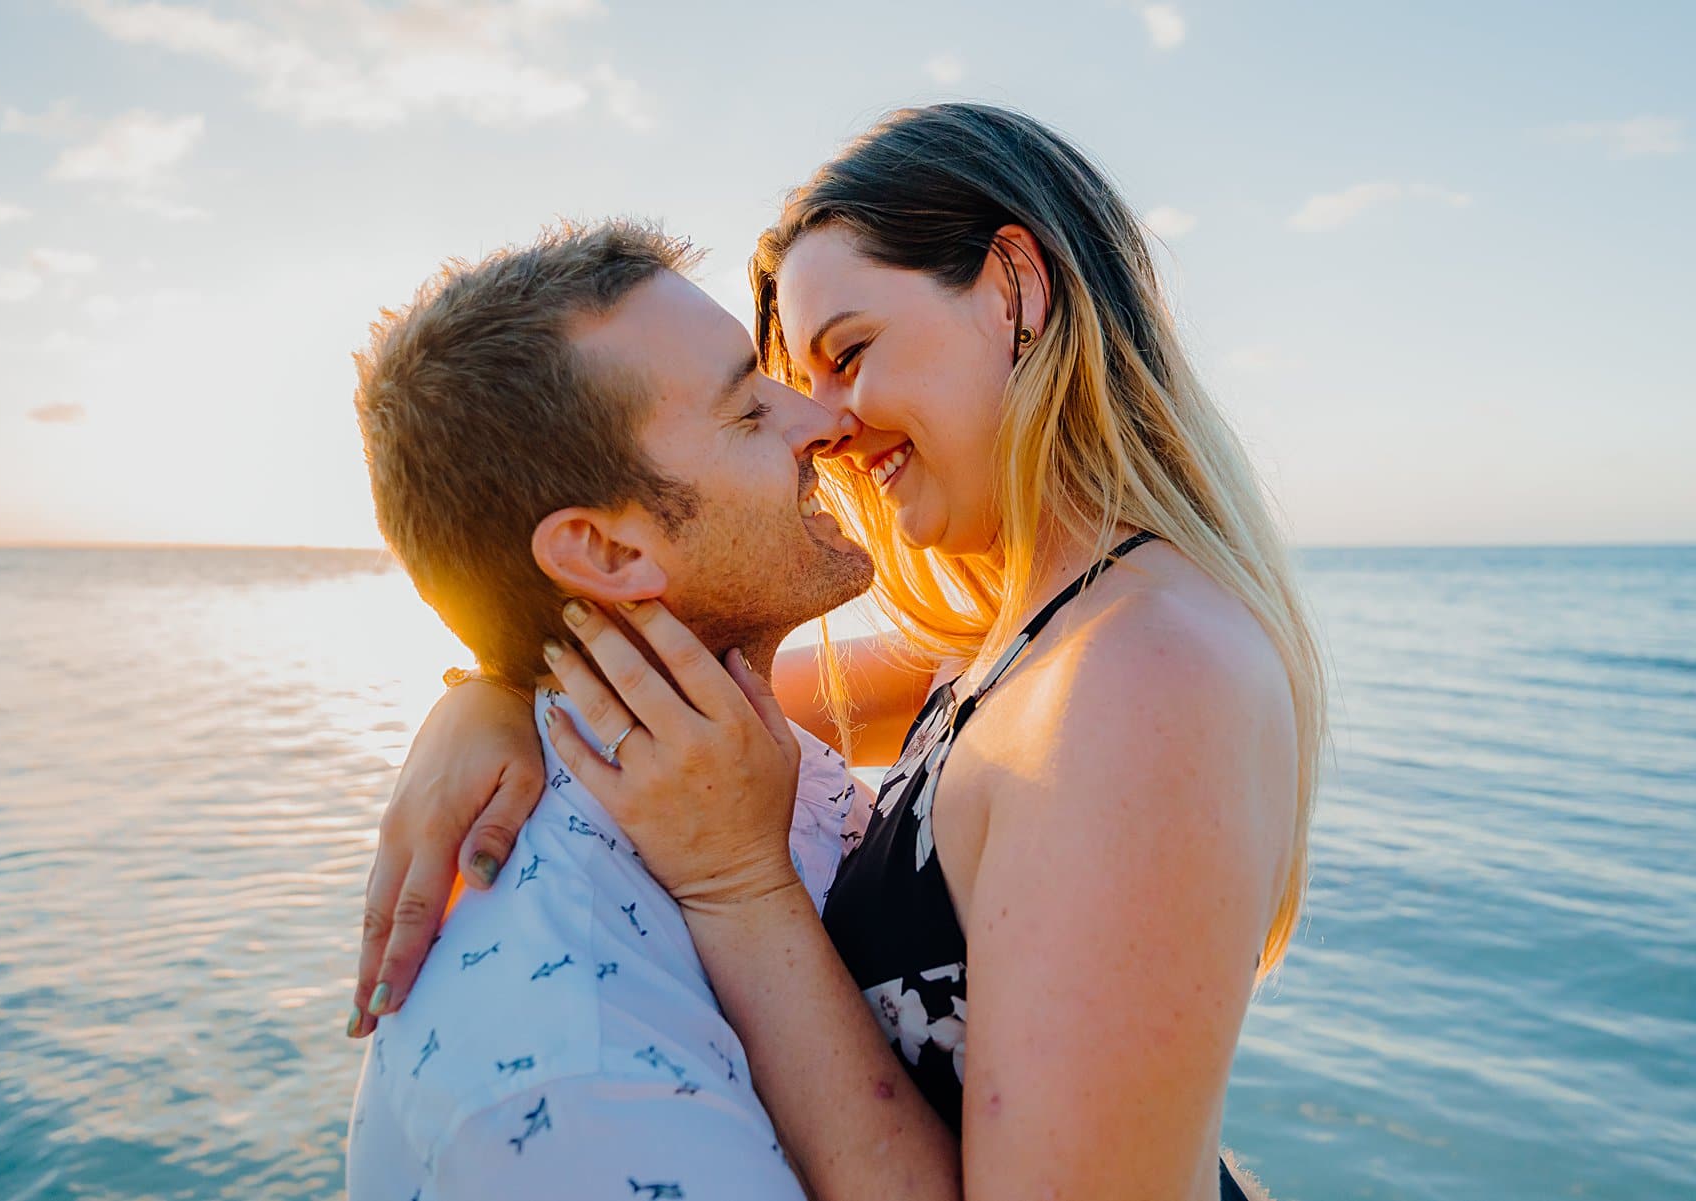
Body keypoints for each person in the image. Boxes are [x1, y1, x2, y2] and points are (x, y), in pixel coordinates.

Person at [352, 103, 1325, 1201]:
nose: (829, 428)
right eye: (779, 393)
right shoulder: (1012, 650)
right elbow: (699, 704)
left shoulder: (1142, 673)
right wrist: (491, 696)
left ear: (1018, 288)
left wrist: (743, 889)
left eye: (848, 355)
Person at [343, 221, 880, 1199]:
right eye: (749, 412)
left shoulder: (719, 740)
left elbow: (1039, 674)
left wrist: (491, 691)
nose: (821, 422)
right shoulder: (570, 1080)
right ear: (607, 554)